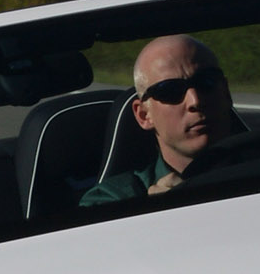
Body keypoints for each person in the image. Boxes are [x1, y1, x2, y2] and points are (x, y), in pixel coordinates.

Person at [79, 36, 244, 205]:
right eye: (170, 91)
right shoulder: (111, 201)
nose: (195, 101)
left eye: (206, 82)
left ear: (226, 92)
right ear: (143, 115)